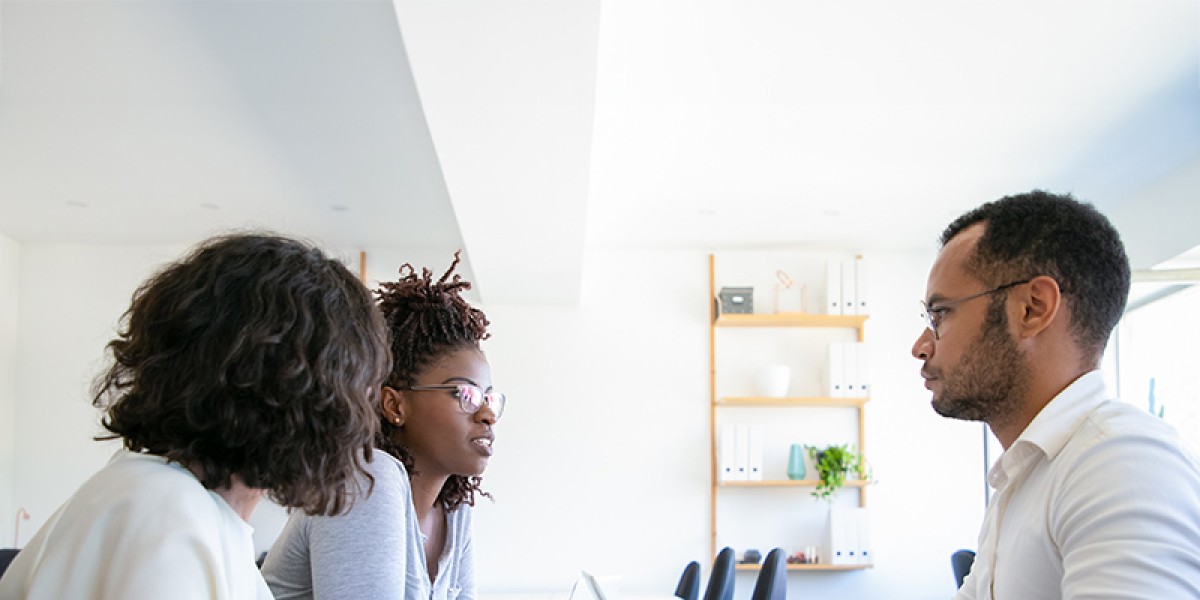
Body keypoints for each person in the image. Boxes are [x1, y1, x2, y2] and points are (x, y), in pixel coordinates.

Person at [0, 233, 391, 600]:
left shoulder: (188, 508)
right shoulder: (165, 512)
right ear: (294, 390)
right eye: (359, 387)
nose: (365, 411)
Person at [911, 191, 1200, 599]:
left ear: (1032, 308)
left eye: (941, 314)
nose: (921, 346)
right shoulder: (1028, 474)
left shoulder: (1119, 461)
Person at [263, 252, 502, 600]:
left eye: (489, 398)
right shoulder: (366, 479)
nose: (487, 414)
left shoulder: (454, 510)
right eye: (464, 393)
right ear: (394, 405)